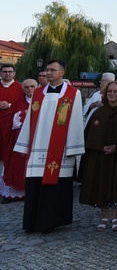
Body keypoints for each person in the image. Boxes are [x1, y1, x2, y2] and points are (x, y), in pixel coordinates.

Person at [14, 60, 85, 233]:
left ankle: (50, 222)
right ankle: (32, 222)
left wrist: (73, 148)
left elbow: (75, 120)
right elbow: (29, 119)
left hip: (60, 150)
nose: (48, 73)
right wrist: (24, 146)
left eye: (53, 70)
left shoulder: (72, 93)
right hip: (38, 146)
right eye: (47, 70)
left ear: (62, 73)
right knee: (36, 185)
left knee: (55, 188)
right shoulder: (38, 93)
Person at [79, 80, 117, 231]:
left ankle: (115, 217)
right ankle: (104, 217)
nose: (112, 94)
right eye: (110, 91)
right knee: (101, 184)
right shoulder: (99, 112)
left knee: (116, 185)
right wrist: (100, 147)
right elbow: (88, 134)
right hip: (100, 156)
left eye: (116, 91)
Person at [1, 78, 37, 202]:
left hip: (36, 139)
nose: (29, 89)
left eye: (32, 86)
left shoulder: (42, 101)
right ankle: (14, 193)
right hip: (19, 138)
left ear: (37, 87)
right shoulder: (17, 102)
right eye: (26, 87)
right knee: (16, 164)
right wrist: (21, 115)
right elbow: (7, 118)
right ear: (22, 89)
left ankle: (33, 192)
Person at [0, 64, 24, 201]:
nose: (7, 74)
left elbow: (23, 104)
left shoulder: (21, 87)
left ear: (14, 73)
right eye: (5, 72)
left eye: (10, 72)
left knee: (8, 155)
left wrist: (9, 105)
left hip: (11, 128)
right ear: (1, 73)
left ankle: (7, 185)